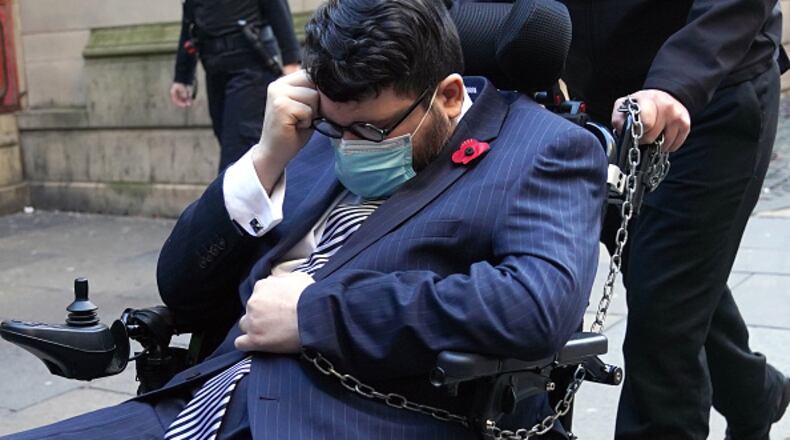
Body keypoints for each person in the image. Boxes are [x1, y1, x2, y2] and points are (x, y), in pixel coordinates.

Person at [3, 0, 607, 438]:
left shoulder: (546, 147)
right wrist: (266, 159)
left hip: (362, 415)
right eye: (334, 126)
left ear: (448, 96)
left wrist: (316, 313)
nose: (348, 146)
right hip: (202, 399)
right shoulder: (317, 128)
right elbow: (181, 288)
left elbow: (535, 305)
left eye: (371, 130)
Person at [556, 0, 790, 438]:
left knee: (662, 324)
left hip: (713, 91)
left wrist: (675, 82)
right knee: (666, 283)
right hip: (607, 104)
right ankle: (755, 394)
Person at [170, 0, 301, 172]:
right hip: (215, 70)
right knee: (230, 143)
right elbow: (190, 18)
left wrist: (291, 60)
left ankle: (230, 197)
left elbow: (276, 6)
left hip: (251, 67)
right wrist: (183, 75)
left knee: (237, 153)